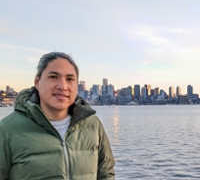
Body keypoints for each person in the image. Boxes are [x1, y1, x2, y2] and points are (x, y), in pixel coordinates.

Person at [0, 52, 115, 180]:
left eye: (70, 79)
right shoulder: (7, 129)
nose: (63, 86)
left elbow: (106, 174)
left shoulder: (93, 125)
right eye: (53, 77)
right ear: (37, 82)